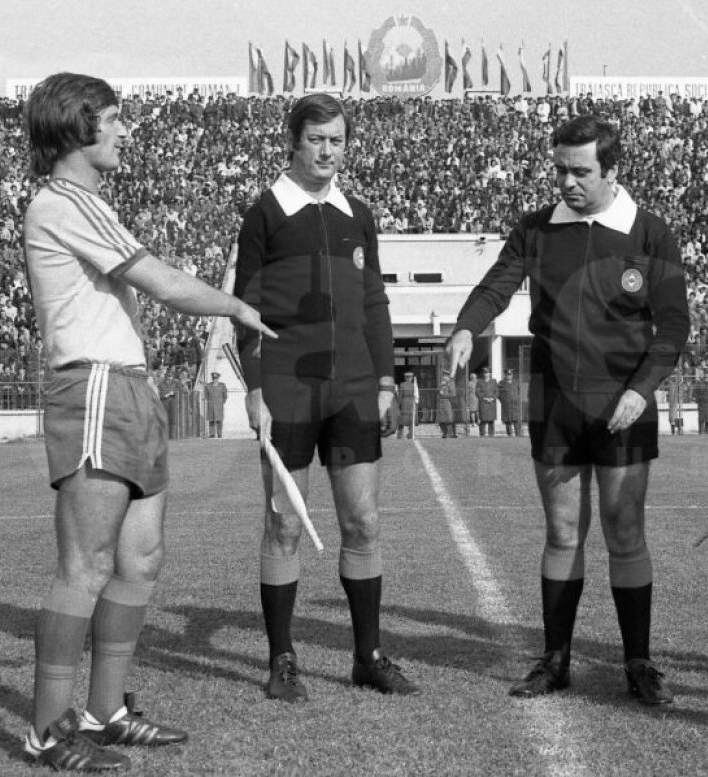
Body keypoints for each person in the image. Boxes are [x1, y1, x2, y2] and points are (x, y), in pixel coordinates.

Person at [20, 72, 275, 771]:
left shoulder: (86, 202)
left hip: (128, 385)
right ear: (79, 127)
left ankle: (104, 711)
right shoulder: (63, 202)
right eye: (115, 118)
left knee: (140, 558)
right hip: (95, 386)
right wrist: (236, 306)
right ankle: (47, 727)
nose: (126, 130)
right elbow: (157, 279)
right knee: (87, 564)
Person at [446, 115, 690, 705]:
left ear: (612, 170)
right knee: (561, 532)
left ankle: (638, 662)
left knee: (625, 531)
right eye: (560, 169)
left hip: (625, 401)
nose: (567, 182)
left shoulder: (650, 233)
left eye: (581, 172)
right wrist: (464, 328)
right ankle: (554, 660)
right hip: (556, 402)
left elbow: (674, 324)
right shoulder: (536, 229)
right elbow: (496, 286)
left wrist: (642, 388)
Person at [233, 93, 418, 704]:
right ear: (294, 141)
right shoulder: (264, 212)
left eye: (336, 139)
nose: (327, 150)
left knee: (362, 521)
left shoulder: (356, 213)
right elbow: (247, 307)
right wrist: (256, 388)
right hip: (288, 386)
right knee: (285, 524)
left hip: (355, 390)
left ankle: (367, 655)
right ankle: (282, 658)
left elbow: (374, 302)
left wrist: (387, 379)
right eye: (317, 139)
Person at [203, 371, 228, 438]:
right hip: (211, 405)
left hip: (219, 405)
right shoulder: (208, 386)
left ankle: (219, 434)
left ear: (218, 378)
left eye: (216, 378)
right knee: (211, 420)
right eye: (213, 378)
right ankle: (212, 434)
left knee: (219, 420)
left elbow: (225, 395)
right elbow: (206, 395)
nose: (215, 380)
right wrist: (209, 401)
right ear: (212, 378)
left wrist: (222, 402)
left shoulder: (222, 385)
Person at [476, 366, 499, 436]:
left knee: (491, 421)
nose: (486, 374)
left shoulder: (494, 381)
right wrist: (484, 398)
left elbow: (497, 392)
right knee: (483, 420)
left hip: (491, 403)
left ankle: (491, 434)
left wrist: (493, 398)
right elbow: (477, 392)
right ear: (483, 374)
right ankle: (482, 434)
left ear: (490, 374)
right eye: (485, 373)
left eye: (488, 373)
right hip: (483, 403)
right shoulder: (479, 382)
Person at [500, 368, 522, 436]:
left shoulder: (516, 382)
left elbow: (519, 392)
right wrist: (504, 400)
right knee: (508, 421)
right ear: (505, 375)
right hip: (507, 405)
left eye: (510, 374)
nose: (509, 376)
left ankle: (518, 435)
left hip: (515, 405)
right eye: (507, 375)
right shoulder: (501, 383)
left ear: (512, 375)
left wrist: (517, 398)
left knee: (516, 421)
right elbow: (498, 393)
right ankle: (509, 435)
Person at [437, 368, 457, 438]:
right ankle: (444, 433)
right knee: (441, 419)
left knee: (448, 419)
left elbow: (453, 394)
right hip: (441, 403)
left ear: (447, 376)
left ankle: (449, 433)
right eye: (443, 375)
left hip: (448, 402)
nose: (443, 377)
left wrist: (443, 395)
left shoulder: (451, 383)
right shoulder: (442, 384)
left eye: (445, 375)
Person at [397, 372, 417, 439]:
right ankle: (411, 434)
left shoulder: (402, 385)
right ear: (411, 378)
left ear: (405, 378)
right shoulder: (414, 385)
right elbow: (416, 396)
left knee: (401, 419)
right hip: (412, 403)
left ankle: (400, 434)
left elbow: (400, 396)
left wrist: (398, 405)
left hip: (404, 402)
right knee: (411, 419)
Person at [464, 370, 478, 436]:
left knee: (475, 411)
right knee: (473, 411)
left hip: (475, 398)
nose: (475, 378)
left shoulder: (474, 383)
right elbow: (467, 391)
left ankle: (476, 422)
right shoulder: (470, 383)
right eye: (474, 377)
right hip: (473, 398)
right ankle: (473, 422)